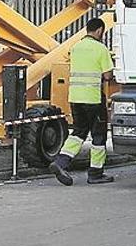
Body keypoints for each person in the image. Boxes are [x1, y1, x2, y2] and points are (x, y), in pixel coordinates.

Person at [49, 17, 115, 186]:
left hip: (75, 98)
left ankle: (61, 162)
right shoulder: (100, 49)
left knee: (78, 132)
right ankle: (95, 173)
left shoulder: (76, 47)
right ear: (99, 30)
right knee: (99, 136)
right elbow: (107, 75)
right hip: (93, 98)